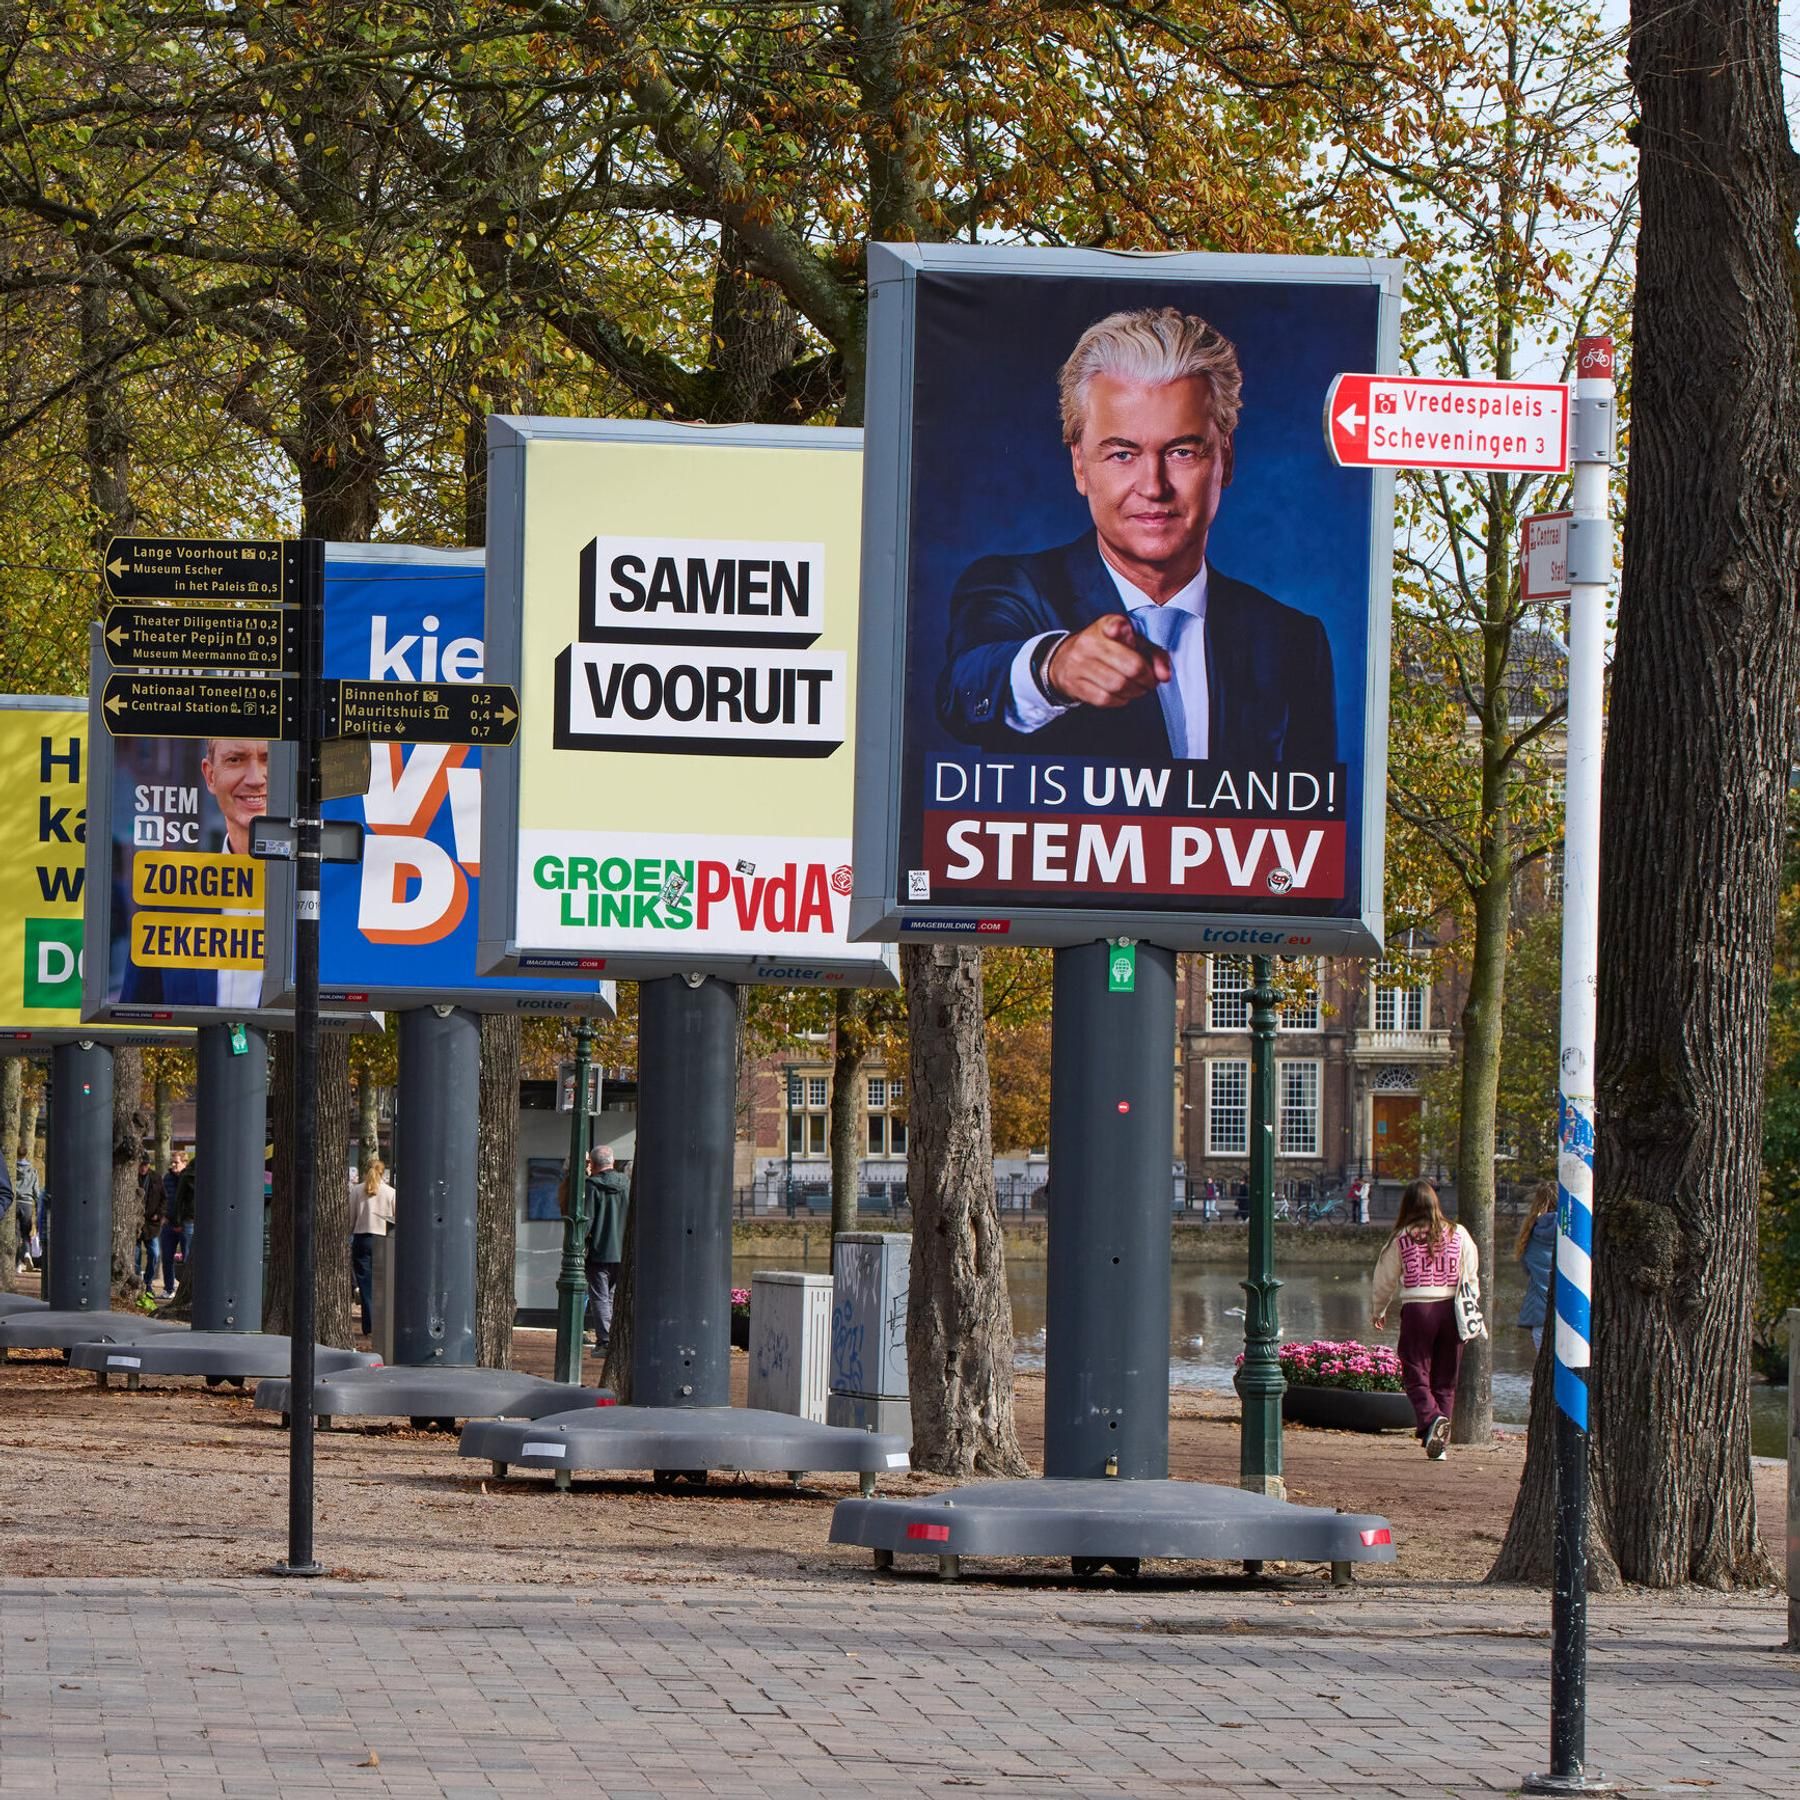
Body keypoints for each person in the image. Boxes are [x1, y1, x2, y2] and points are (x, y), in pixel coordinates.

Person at [935, 306, 1337, 765]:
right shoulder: (1012, 589)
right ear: (1080, 465)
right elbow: (965, 689)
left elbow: (1314, 823)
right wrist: (1055, 668)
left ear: (1225, 457)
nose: (1153, 486)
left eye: (1182, 452)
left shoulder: (1292, 640)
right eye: (1123, 455)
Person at [120, 737, 269, 1006]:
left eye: (269, 759)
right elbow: (134, 1022)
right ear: (210, 776)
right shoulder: (172, 897)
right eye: (235, 760)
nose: (255, 778)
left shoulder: (327, 899)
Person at [1370, 1177, 1479, 1459]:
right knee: (1446, 1379)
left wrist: (1379, 1309)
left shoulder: (1402, 1237)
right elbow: (1470, 1276)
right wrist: (1472, 1308)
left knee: (1415, 1371)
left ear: (1406, 1205)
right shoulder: (1460, 1233)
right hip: (1452, 1309)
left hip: (1418, 1309)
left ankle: (1432, 1420)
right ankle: (1439, 1445)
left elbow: (1385, 1278)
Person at [584, 1145, 630, 1353]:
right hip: (623, 1250)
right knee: (610, 1296)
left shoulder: (592, 1186)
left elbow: (588, 1219)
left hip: (600, 1249)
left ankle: (605, 1340)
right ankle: (612, 1337)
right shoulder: (626, 1184)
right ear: (613, 1162)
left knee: (599, 1296)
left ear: (592, 1164)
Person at [348, 1156, 396, 1337]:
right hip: (384, 1240)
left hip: (362, 1239)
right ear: (382, 1172)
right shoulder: (391, 1193)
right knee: (384, 1284)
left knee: (366, 1285)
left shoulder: (356, 1191)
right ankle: (385, 1324)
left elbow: (350, 1219)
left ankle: (369, 1325)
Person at [1515, 1179, 1558, 1354]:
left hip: (1539, 1314)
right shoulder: (1574, 1234)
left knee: (1544, 1372)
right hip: (1572, 1312)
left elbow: (1527, 1269)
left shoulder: (1529, 1234)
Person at [158, 1148, 194, 1296]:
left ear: (184, 1163)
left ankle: (185, 1289)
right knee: (167, 1257)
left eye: (176, 1162)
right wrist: (163, 1215)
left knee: (187, 1257)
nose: (173, 1165)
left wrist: (185, 1219)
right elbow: (163, 1198)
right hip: (169, 1222)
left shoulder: (190, 1178)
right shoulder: (167, 1178)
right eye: (172, 1162)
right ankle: (169, 1288)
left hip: (187, 1222)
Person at [136, 1157, 163, 1292]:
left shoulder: (156, 1178)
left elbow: (164, 1198)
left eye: (145, 1165)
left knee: (154, 1253)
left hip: (151, 1224)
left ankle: (148, 1282)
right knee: (135, 1255)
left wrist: (159, 1214)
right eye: (141, 1164)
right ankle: (135, 1282)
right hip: (134, 1224)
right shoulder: (132, 1177)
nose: (143, 1168)